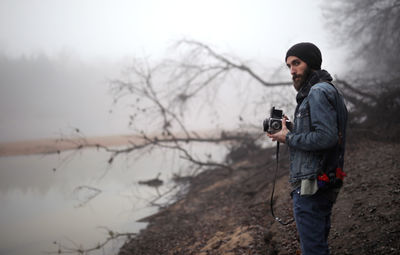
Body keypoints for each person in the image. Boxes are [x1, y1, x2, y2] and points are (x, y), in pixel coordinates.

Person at [267, 42, 348, 255]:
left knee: (313, 250)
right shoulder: (329, 90)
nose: (292, 71)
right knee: (318, 245)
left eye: (296, 63)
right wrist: (291, 129)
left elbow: (326, 137)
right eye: (289, 66)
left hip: (312, 185)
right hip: (325, 179)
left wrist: (289, 137)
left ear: (311, 63)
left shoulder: (317, 92)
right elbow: (327, 132)